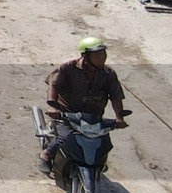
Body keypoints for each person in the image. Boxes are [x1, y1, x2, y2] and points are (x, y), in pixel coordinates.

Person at [41, 37, 128, 171]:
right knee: (65, 138)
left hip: (93, 117)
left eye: (103, 54)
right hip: (67, 113)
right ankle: (46, 154)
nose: (102, 58)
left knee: (104, 143)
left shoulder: (108, 73)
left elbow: (116, 96)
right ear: (86, 56)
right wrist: (53, 106)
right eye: (97, 55)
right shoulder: (68, 67)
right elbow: (54, 85)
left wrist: (119, 117)